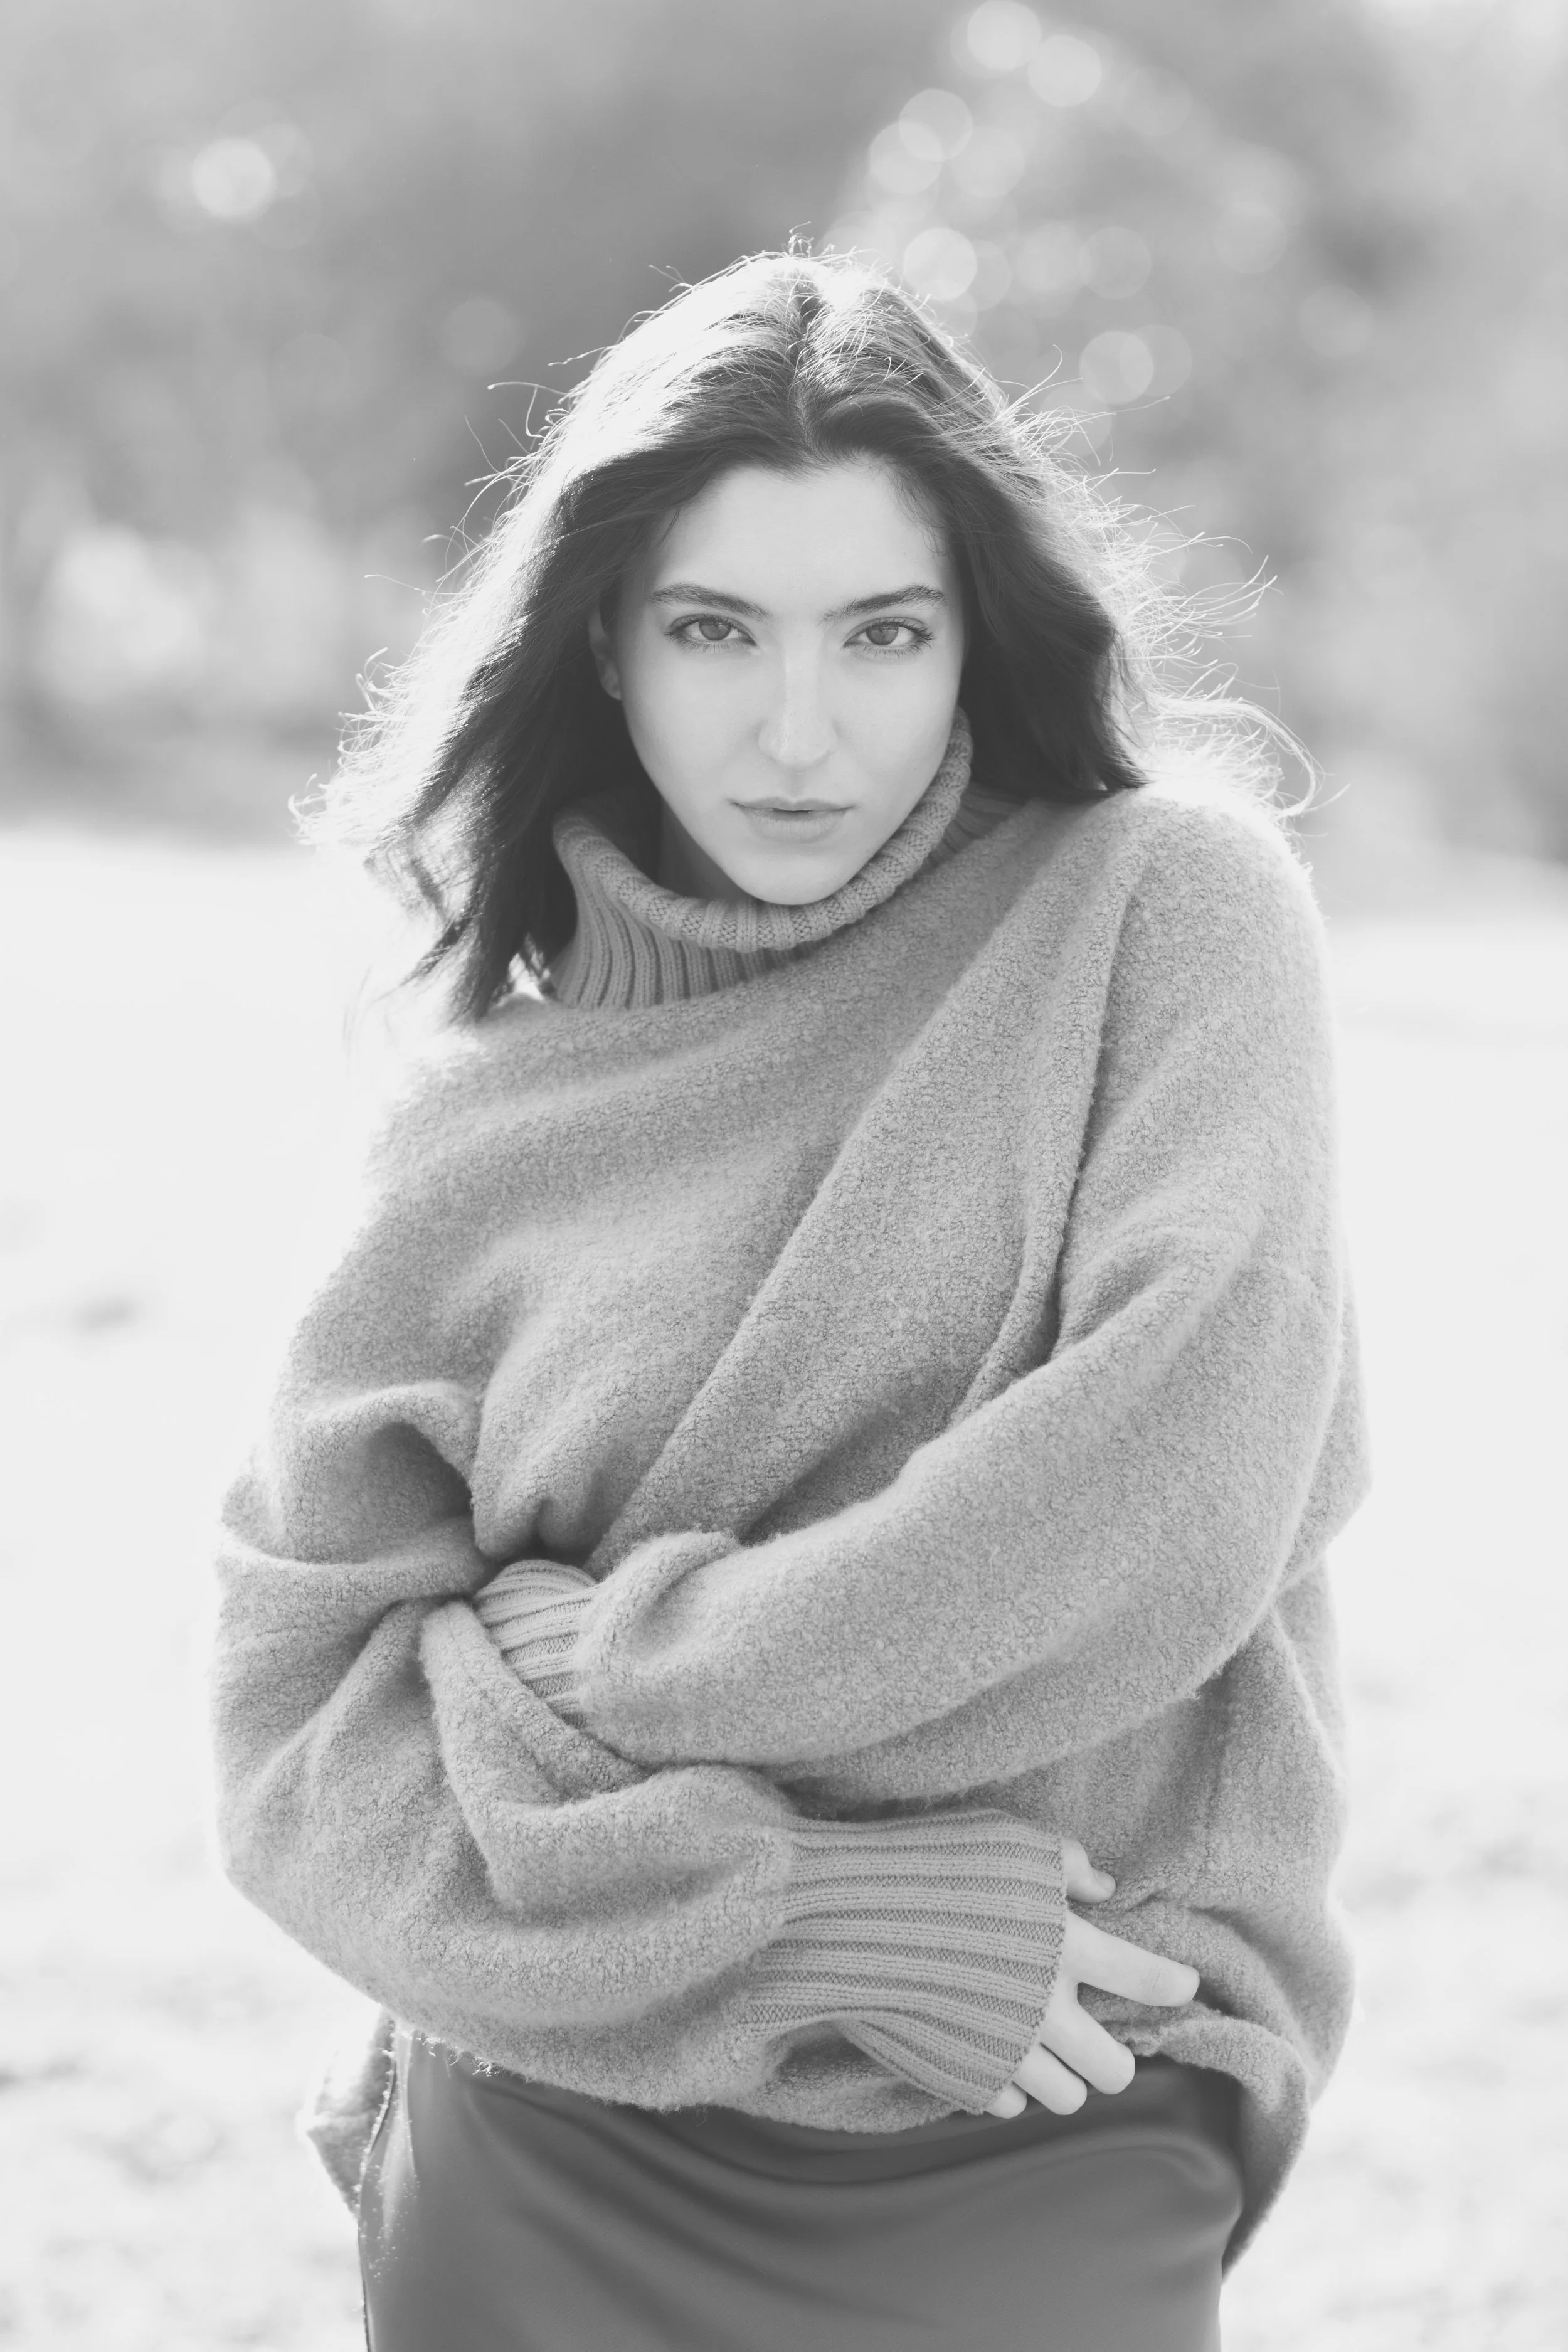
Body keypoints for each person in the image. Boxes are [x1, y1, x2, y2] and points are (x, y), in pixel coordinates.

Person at [209, 252, 1369, 2351]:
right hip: (566, 2089)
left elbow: (1162, 1497)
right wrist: (810, 1910)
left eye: (883, 633)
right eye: (715, 631)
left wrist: (586, 1665)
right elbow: (300, 1735)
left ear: (972, 639)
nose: (800, 729)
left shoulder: (1161, 917)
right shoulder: (475, 1131)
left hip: (1075, 2041)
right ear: (607, 648)